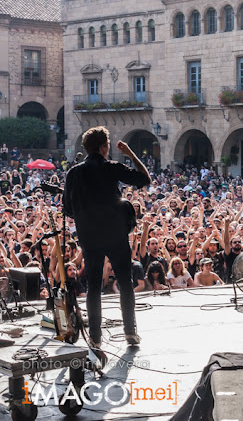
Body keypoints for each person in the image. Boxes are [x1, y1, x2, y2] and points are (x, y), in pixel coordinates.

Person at [63, 126, 151, 347]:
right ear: (104, 147)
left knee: (93, 286)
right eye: (108, 145)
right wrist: (130, 154)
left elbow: (67, 208)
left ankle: (95, 336)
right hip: (115, 233)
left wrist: (85, 217)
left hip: (89, 235)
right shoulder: (112, 167)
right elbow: (144, 179)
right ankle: (130, 331)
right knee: (125, 281)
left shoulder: (74, 173)